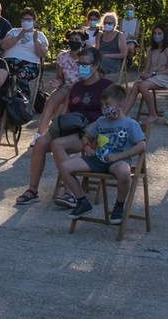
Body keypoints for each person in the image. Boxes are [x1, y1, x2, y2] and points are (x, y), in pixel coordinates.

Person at [14, 47, 110, 206]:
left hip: (91, 133)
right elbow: (67, 111)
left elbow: (112, 116)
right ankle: (33, 190)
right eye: (79, 63)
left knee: (58, 144)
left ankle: (70, 193)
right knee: (40, 143)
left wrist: (92, 128)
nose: (81, 67)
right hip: (72, 127)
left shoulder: (107, 86)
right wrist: (59, 124)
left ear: (96, 66)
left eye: (85, 64)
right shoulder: (77, 86)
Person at [56, 85, 148, 224]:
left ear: (120, 106)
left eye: (108, 105)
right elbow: (86, 137)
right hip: (97, 159)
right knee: (65, 167)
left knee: (123, 172)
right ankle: (82, 202)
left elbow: (141, 146)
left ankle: (119, 206)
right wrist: (87, 147)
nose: (104, 108)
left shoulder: (131, 124)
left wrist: (118, 156)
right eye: (103, 104)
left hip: (118, 160)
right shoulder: (101, 122)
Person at [122, 25, 168, 122]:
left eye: (159, 33)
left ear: (165, 35)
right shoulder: (151, 49)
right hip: (152, 76)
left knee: (143, 86)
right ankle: (123, 114)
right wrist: (144, 73)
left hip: (165, 76)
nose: (157, 36)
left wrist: (152, 74)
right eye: (155, 33)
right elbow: (147, 68)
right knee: (136, 86)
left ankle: (153, 114)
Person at [37, 33, 86, 135]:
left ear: (82, 43)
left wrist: (76, 85)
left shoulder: (86, 57)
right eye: (71, 39)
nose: (73, 41)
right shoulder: (62, 56)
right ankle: (39, 134)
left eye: (76, 39)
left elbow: (89, 78)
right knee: (51, 100)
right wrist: (57, 82)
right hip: (65, 86)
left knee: (68, 99)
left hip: (81, 87)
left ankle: (58, 130)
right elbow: (60, 78)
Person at [0, 7, 48, 98]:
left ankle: (24, 103)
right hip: (9, 62)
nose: (26, 21)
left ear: (34, 21)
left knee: (21, 75)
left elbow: (43, 54)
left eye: (28, 19)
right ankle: (6, 100)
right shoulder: (14, 32)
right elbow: (3, 45)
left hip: (29, 64)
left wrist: (36, 41)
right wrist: (17, 38)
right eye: (24, 19)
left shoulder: (39, 35)